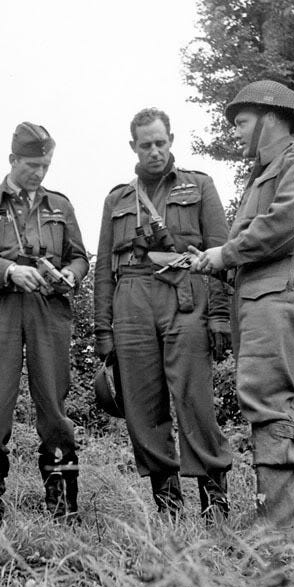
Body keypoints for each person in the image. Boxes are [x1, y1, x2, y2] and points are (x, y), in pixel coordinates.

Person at [189, 79, 294, 534]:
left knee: (267, 401)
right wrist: (219, 260)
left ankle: (276, 537)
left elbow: (285, 225)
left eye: (242, 122)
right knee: (288, 403)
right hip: (267, 291)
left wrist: (224, 254)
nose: (236, 132)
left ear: (271, 118)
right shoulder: (267, 171)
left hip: (280, 291)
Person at [94, 108, 232, 522]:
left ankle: (215, 506)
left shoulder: (200, 185)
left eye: (160, 142)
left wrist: (220, 316)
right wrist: (103, 331)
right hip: (131, 301)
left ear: (171, 139)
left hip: (185, 296)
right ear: (132, 146)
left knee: (195, 400)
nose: (154, 151)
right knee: (141, 405)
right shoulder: (117, 198)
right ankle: (168, 508)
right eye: (145, 145)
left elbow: (221, 252)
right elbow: (104, 268)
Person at [0, 122, 89, 525]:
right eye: (32, 165)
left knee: (53, 401)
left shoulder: (60, 205)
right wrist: (9, 270)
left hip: (48, 309)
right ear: (13, 160)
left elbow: (80, 256)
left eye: (45, 165)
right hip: (0, 307)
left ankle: (62, 504)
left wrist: (72, 274)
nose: (39, 173)